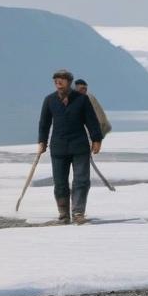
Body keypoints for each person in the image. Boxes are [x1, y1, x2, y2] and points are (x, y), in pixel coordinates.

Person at [38, 70, 104, 224]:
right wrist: (42, 141)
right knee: (60, 182)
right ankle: (63, 214)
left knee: (81, 180)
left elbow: (91, 120)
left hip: (79, 146)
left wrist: (96, 139)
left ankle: (78, 212)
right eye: (56, 80)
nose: (58, 83)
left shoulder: (81, 99)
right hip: (58, 147)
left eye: (62, 80)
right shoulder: (49, 100)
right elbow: (44, 123)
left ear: (69, 82)